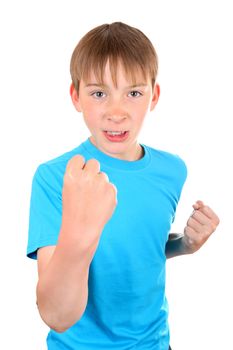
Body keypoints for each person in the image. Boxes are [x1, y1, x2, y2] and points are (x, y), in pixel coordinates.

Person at [27, 22, 220, 350]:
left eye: (133, 93)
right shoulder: (55, 177)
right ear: (76, 96)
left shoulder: (172, 170)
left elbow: (140, 247)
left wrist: (183, 244)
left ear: (153, 96)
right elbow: (58, 314)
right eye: (99, 93)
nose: (116, 112)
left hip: (157, 343)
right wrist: (80, 227)